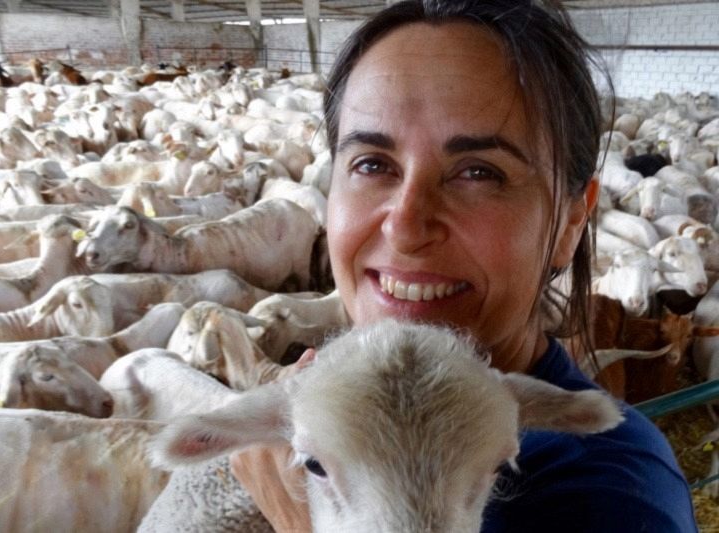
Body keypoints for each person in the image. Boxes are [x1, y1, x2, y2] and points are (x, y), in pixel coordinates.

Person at [231, 1, 699, 531]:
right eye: (371, 164)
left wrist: (304, 517)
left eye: (479, 172)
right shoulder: (295, 421)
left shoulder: (616, 502)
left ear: (571, 222)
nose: (405, 226)